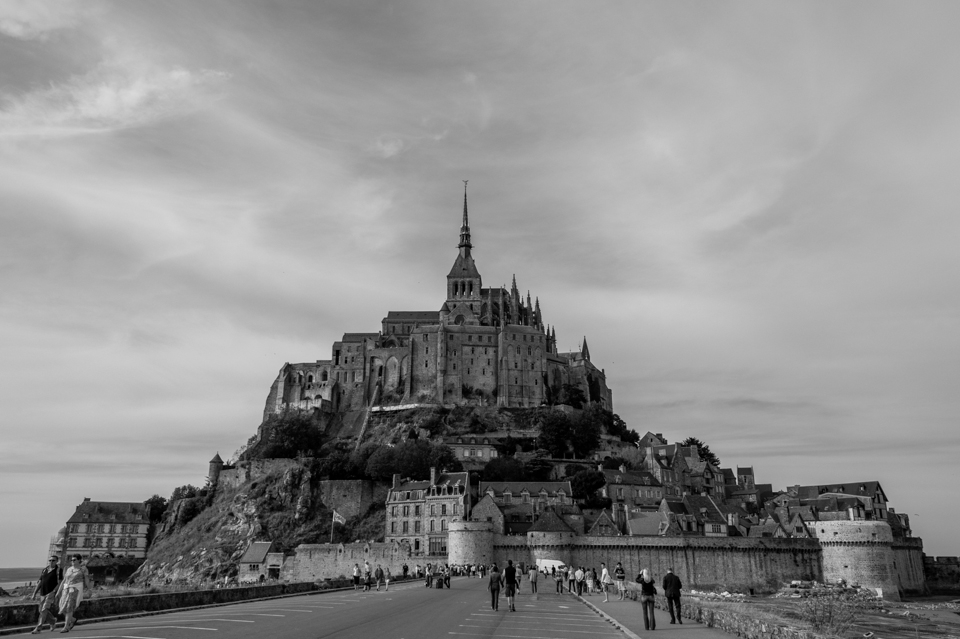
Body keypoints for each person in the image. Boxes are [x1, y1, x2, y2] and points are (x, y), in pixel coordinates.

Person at [54, 554, 90, 633]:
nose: (72, 561)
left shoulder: (83, 569)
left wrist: (89, 589)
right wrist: (58, 591)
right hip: (66, 589)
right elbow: (64, 581)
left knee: (69, 607)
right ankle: (73, 619)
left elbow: (86, 579)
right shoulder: (68, 569)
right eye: (71, 560)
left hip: (75, 589)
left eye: (74, 560)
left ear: (79, 560)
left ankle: (66, 627)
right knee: (61, 607)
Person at [31, 556, 62, 634]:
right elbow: (40, 582)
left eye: (53, 560)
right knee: (41, 610)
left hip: (51, 593)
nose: (51, 562)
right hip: (42, 593)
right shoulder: (44, 570)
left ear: (57, 561)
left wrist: (54, 591)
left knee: (44, 609)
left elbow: (60, 582)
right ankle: (52, 621)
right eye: (50, 560)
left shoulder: (58, 570)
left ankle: (38, 628)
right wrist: (34, 593)